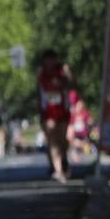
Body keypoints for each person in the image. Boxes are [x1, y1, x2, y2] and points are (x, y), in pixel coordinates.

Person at [37, 50, 76, 183]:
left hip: (62, 111)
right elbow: (39, 91)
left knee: (62, 140)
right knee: (53, 141)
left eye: (51, 59)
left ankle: (63, 160)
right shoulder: (41, 73)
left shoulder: (62, 71)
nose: (49, 63)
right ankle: (58, 170)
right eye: (47, 60)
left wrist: (67, 74)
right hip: (48, 113)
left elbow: (72, 86)